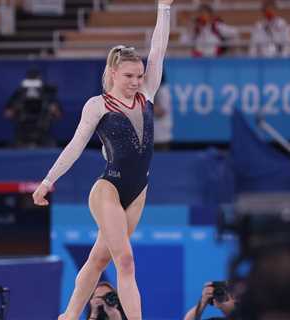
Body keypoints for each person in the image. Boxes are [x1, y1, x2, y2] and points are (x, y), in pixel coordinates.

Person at [32, 0, 173, 318]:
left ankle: (68, 316)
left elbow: (158, 50)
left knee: (99, 260)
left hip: (138, 193)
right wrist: (47, 181)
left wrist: (164, 7)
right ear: (112, 73)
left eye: (139, 75)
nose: (136, 80)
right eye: (129, 76)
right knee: (125, 260)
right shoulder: (98, 105)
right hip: (108, 188)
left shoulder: (147, 94)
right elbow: (75, 146)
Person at [4, 67, 62, 148]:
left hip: (42, 134)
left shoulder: (46, 93)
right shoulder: (19, 93)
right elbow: (7, 113)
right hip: (22, 134)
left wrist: (50, 108)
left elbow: (58, 114)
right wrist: (17, 107)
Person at [153, 73, 172, 151]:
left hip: (161, 137)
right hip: (150, 137)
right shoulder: (152, 89)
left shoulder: (163, 90)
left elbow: (161, 112)